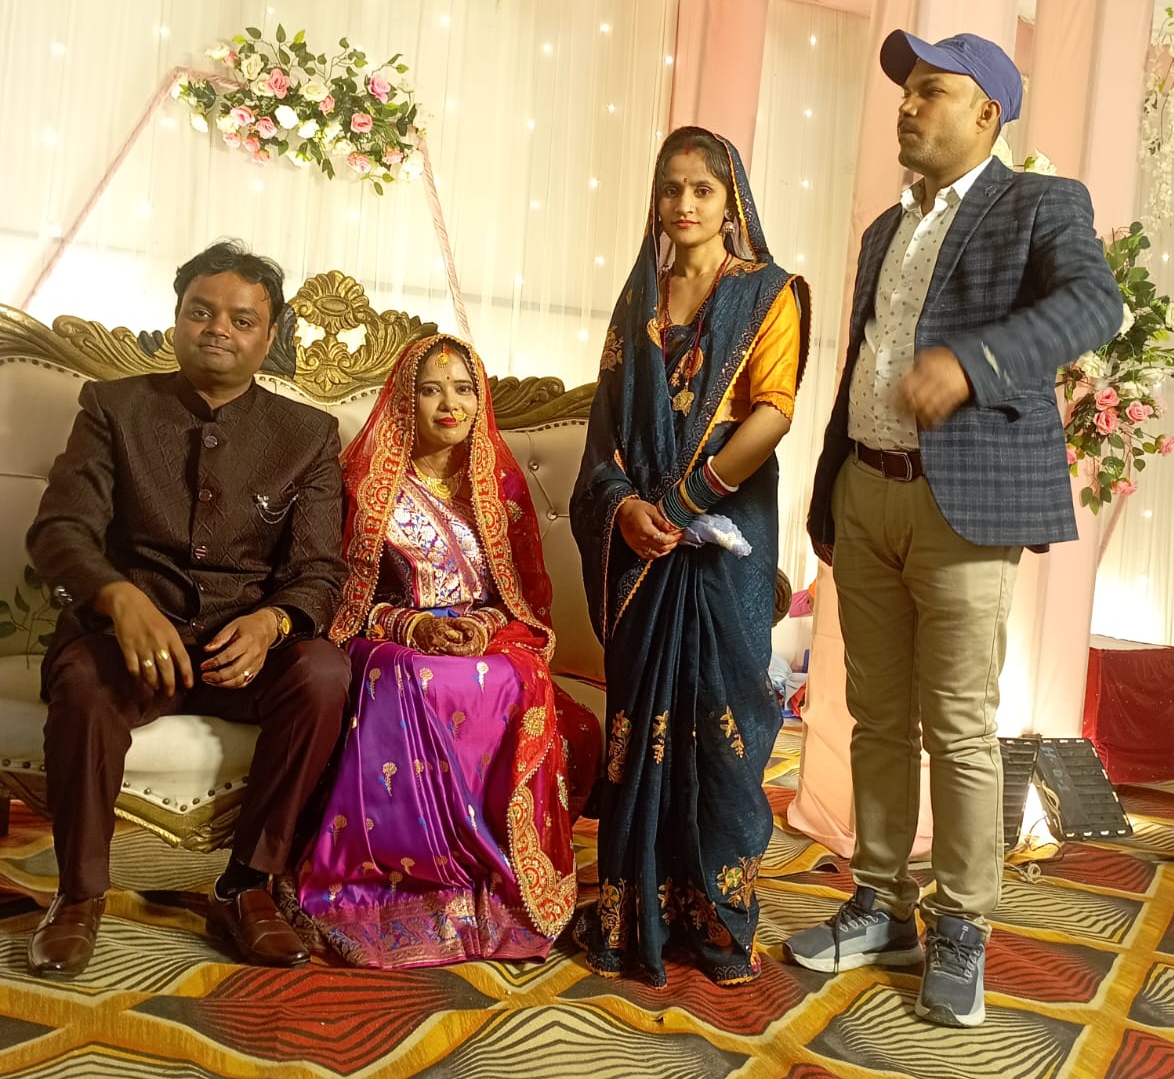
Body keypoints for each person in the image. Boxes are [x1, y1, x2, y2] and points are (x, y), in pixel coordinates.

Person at [784, 31, 1124, 1027]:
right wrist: (829, 496)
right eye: (904, 90)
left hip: (963, 503)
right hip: (867, 489)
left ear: (987, 113)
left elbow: (1093, 303)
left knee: (960, 727)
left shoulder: (1038, 203)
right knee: (875, 719)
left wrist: (974, 364)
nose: (906, 104)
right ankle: (881, 903)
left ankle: (962, 925)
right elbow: (862, 361)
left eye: (930, 90)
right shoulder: (883, 229)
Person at [26, 241, 351, 978]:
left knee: (325, 676)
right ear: (176, 318)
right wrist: (117, 597)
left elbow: (319, 570)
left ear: (270, 336)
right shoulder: (113, 407)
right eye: (201, 312)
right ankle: (78, 895)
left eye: (242, 320)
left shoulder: (308, 435)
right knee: (83, 682)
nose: (218, 330)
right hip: (133, 642)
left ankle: (248, 888)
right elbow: (61, 530)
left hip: (247, 651)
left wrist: (273, 623)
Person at [570, 125, 810, 987]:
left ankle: (717, 922)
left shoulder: (766, 294)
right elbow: (606, 433)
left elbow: (773, 412)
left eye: (702, 189)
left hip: (721, 538)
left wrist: (686, 500)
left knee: (721, 724)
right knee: (639, 728)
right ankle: (634, 911)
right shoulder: (640, 296)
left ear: (730, 199)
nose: (683, 204)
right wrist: (627, 507)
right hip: (645, 542)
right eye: (670, 188)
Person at [294, 334, 601, 969]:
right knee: (415, 678)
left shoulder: (498, 487)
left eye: (464, 389)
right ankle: (402, 879)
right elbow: (342, 600)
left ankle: (496, 870)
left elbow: (518, 600)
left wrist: (484, 627)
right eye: (431, 390)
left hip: (482, 638)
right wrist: (412, 628)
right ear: (406, 402)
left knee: (512, 677)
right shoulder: (367, 484)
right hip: (391, 642)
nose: (449, 405)